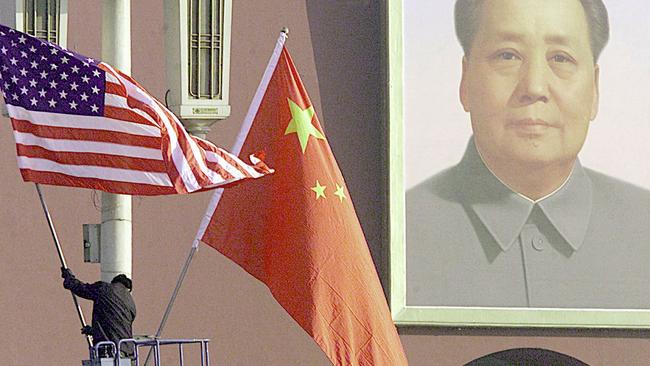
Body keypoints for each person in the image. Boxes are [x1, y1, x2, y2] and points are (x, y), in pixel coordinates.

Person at [406, 0, 650, 308]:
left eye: (560, 58)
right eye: (508, 55)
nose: (534, 86)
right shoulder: (402, 235)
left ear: (595, 89)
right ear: (465, 80)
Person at [61, 267, 137, 359]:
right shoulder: (131, 303)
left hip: (109, 351)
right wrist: (94, 331)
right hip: (128, 353)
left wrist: (69, 278)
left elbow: (81, 289)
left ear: (113, 282)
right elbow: (115, 326)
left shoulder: (104, 289)